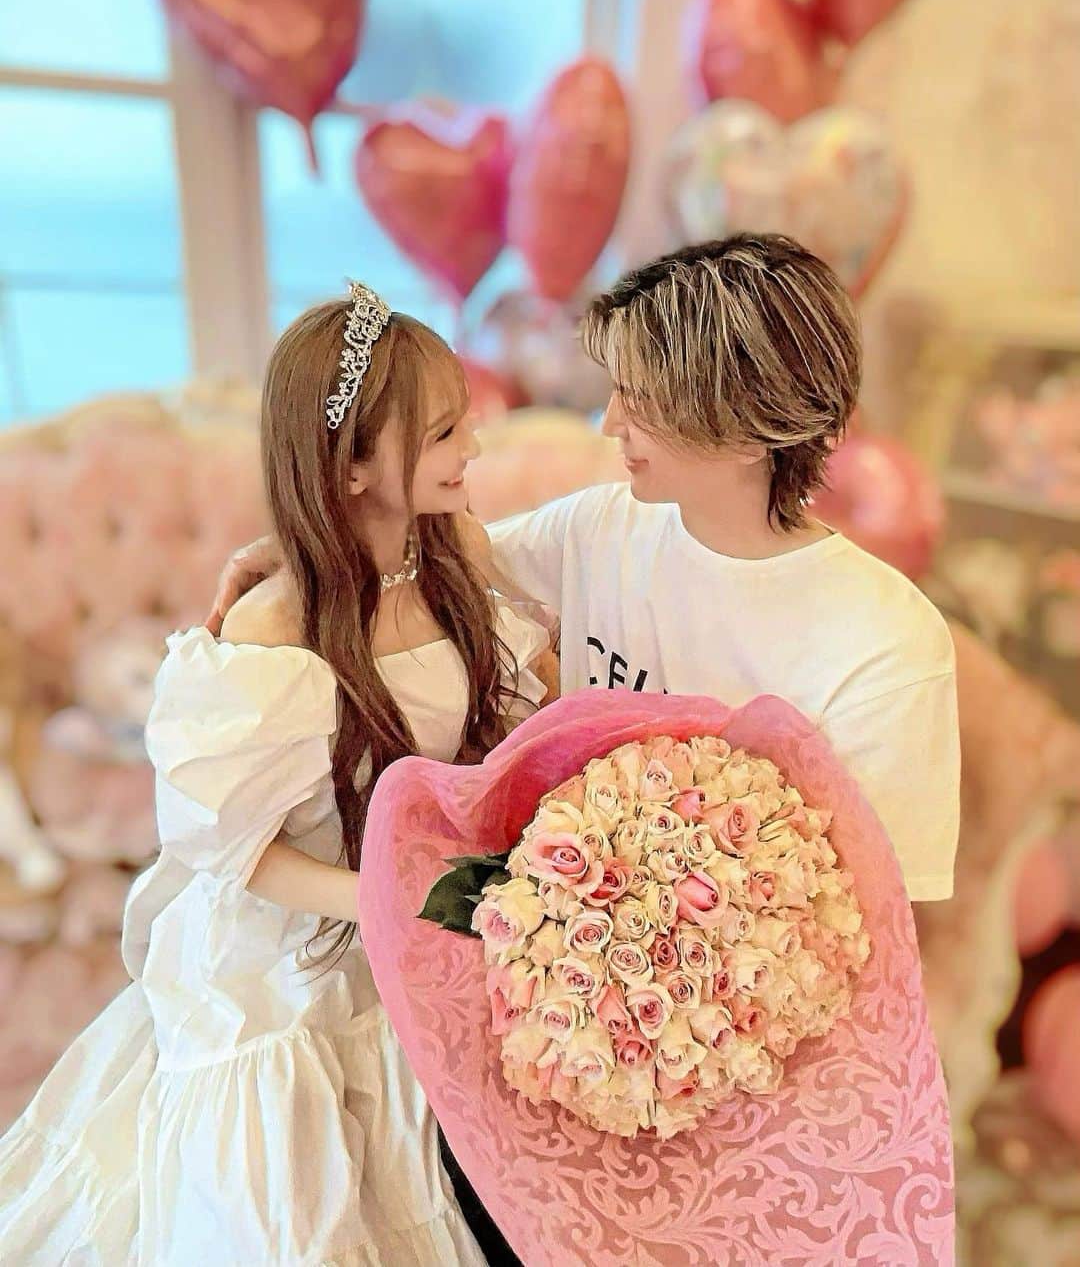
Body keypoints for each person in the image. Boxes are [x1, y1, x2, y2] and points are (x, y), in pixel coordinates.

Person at [0, 284, 550, 1266]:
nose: (473, 448)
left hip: (433, 909)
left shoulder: (459, 561)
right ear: (352, 465)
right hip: (307, 936)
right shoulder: (272, 628)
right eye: (443, 433)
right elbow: (234, 854)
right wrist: (385, 899)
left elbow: (520, 722)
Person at [211, 235, 959, 906]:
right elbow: (429, 552)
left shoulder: (886, 645)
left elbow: (875, 925)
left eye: (641, 399)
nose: (609, 423)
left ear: (747, 429)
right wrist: (303, 548)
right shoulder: (600, 528)